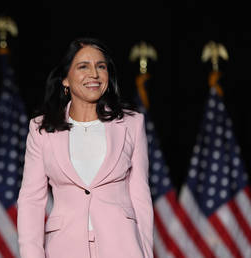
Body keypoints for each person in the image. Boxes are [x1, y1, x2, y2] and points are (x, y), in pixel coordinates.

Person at [17, 37, 154, 258]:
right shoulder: (41, 129)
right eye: (83, 66)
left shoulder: (132, 123)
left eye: (101, 66)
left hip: (123, 247)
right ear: (65, 79)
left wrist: (146, 254)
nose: (94, 74)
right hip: (64, 248)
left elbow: (140, 197)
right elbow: (31, 200)